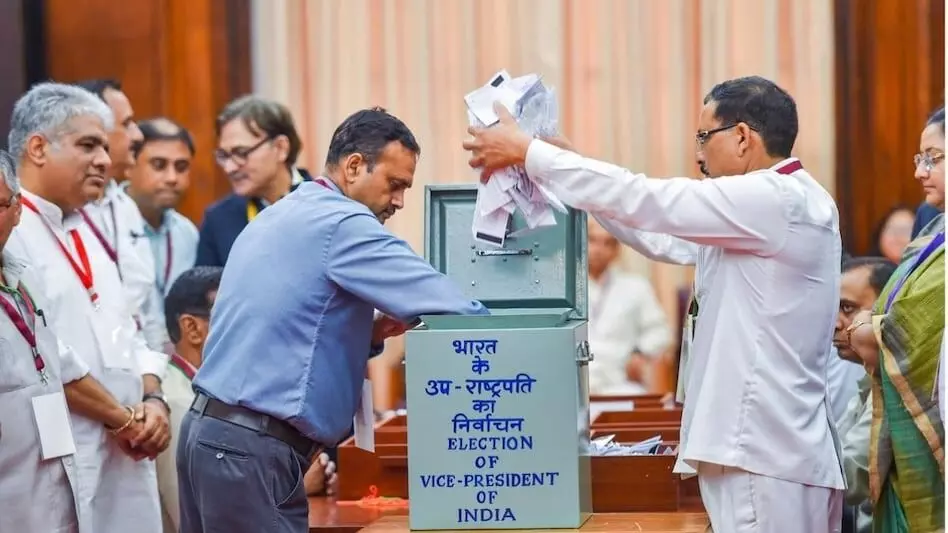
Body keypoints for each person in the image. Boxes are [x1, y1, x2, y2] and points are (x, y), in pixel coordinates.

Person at [463, 76, 845, 532]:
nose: (699, 154)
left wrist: (530, 153)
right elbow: (656, 232)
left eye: (704, 136)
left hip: (763, 450)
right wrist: (568, 166)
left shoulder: (774, 198)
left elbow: (647, 199)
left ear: (743, 137)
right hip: (759, 448)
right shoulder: (763, 208)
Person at [178, 107, 488, 532]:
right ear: (354, 166)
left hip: (214, 437)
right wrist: (518, 342)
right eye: (395, 184)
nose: (399, 201)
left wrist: (370, 333)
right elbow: (453, 306)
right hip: (250, 449)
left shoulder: (288, 210)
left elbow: (292, 328)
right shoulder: (343, 222)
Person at [5, 81, 169, 533]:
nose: (104, 160)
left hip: (130, 441)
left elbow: (130, 325)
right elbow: (43, 352)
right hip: (65, 445)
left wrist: (153, 399)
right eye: (88, 145)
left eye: (104, 147)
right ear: (38, 148)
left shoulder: (91, 224)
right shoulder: (12, 229)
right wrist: (122, 418)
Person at [847, 106, 945, 532]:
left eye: (933, 158)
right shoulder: (933, 232)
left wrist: (872, 330)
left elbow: (910, 326)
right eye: (920, 159)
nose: (920, 171)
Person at [75, 78, 165, 351]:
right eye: (127, 124)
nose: (138, 136)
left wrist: (156, 366)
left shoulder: (125, 205)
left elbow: (147, 302)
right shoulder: (67, 210)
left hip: (141, 356)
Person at [196, 95, 313, 267]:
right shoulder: (218, 219)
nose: (229, 168)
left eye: (241, 153)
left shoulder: (328, 204)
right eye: (223, 155)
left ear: (281, 148)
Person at [828, 256, 896, 533]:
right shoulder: (871, 380)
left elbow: (846, 475)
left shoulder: (899, 388)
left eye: (848, 308)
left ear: (888, 311)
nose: (835, 323)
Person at [126, 117, 200, 349]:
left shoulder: (187, 233)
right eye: (159, 165)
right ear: (130, 164)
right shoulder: (103, 224)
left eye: (181, 167)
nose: (172, 178)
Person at [586, 218, 670, 395]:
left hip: (619, 384)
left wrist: (640, 353)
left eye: (607, 243)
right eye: (592, 240)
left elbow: (660, 331)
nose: (599, 249)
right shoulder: (565, 290)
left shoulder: (636, 287)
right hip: (574, 384)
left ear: (617, 250)